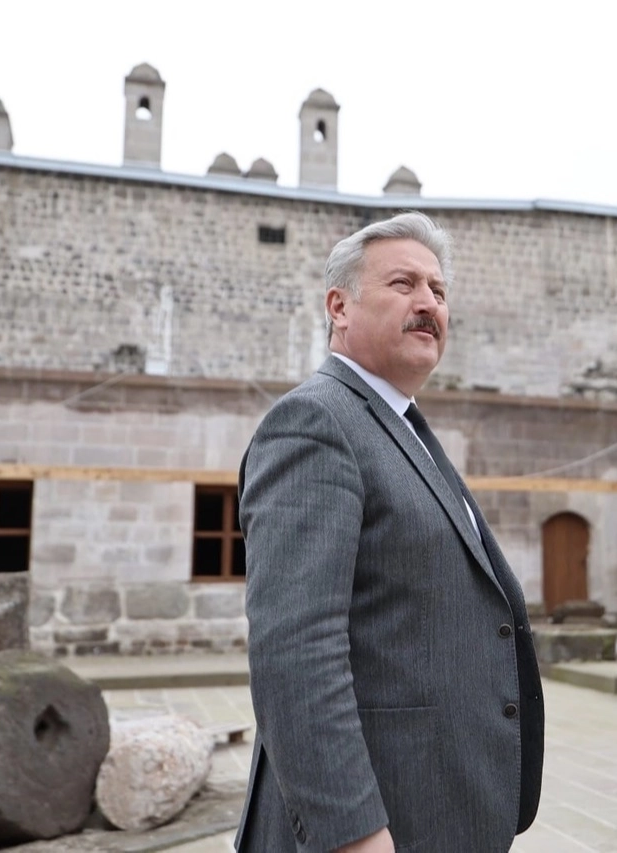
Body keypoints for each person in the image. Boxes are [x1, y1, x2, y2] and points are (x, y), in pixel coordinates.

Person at [233, 212, 545, 853]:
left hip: (439, 809)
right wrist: (352, 834)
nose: (428, 302)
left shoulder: (402, 427)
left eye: (438, 290)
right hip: (378, 824)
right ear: (339, 307)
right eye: (403, 284)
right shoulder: (314, 423)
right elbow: (296, 653)